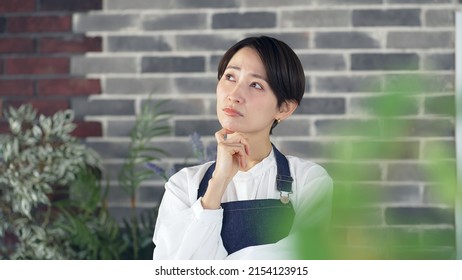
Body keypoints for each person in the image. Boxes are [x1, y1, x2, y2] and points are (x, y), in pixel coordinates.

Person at [152, 36, 333, 260]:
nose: (234, 95)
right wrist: (217, 184)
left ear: (284, 108)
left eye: (256, 84)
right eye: (230, 77)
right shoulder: (183, 186)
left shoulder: (309, 181)